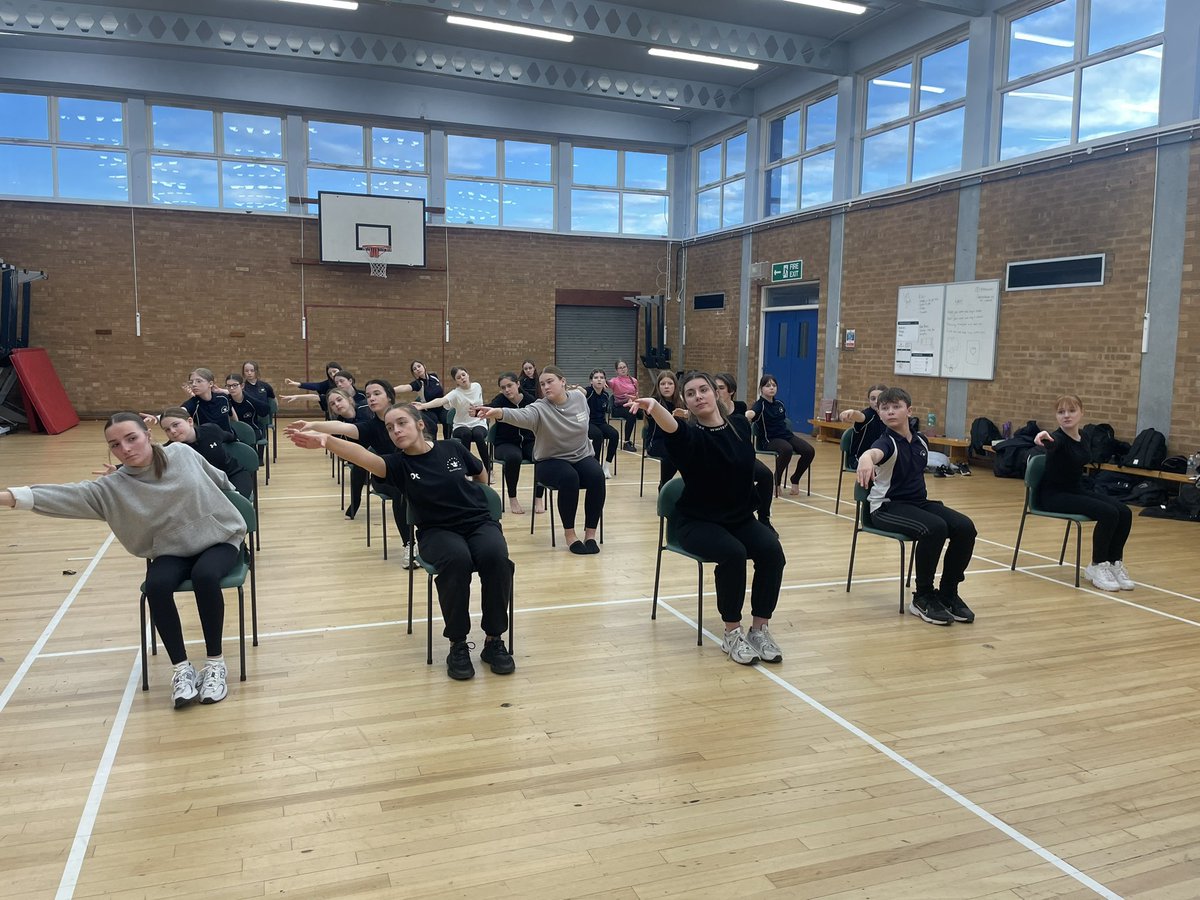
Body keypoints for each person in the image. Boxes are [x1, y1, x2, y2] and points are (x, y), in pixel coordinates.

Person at [1, 413, 245, 707]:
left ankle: (215, 663)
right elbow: (65, 495)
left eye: (131, 438)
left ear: (148, 435)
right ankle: (182, 669)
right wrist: (9, 497)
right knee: (156, 585)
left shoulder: (181, 453)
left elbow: (219, 480)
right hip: (171, 549)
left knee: (206, 576)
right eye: (115, 445)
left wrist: (237, 502)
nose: (125, 448)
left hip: (218, 539)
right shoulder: (113, 487)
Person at [289, 403, 515, 681]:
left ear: (420, 424)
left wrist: (483, 493)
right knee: (457, 561)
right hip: (437, 531)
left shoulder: (452, 448)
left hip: (479, 523)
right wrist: (327, 440)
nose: (396, 430)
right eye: (390, 427)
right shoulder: (398, 464)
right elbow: (361, 455)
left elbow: (479, 470)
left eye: (402, 423)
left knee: (495, 558)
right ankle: (458, 644)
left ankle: (494, 640)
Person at [627, 372, 787, 665]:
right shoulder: (689, 436)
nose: (698, 396)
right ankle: (732, 632)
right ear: (686, 402)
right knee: (733, 554)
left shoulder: (738, 426)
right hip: (696, 522)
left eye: (704, 390)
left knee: (772, 551)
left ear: (716, 394)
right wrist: (654, 406)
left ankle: (759, 629)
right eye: (690, 393)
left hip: (738, 518)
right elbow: (672, 428)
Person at [855, 387, 977, 626]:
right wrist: (865, 458)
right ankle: (922, 596)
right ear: (879, 413)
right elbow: (874, 452)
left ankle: (948, 593)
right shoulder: (886, 442)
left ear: (908, 411)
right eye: (884, 408)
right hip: (886, 508)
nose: (890, 412)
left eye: (896, 407)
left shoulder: (921, 440)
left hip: (918, 504)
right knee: (935, 528)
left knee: (965, 527)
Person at [475, 366, 605, 554]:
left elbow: (584, 398)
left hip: (581, 455)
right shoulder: (539, 408)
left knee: (597, 476)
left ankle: (590, 535)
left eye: (550, 381)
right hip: (550, 461)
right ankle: (570, 535)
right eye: (542, 384)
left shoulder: (578, 398)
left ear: (563, 381)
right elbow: (520, 415)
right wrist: (497, 412)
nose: (545, 386)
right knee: (569, 478)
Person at [289, 380, 416, 566]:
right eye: (368, 395)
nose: (371, 398)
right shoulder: (370, 426)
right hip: (386, 476)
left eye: (376, 393)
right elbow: (343, 428)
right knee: (400, 492)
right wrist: (311, 425)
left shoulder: (408, 418)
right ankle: (410, 545)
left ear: (389, 396)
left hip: (414, 471)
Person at [1034, 394, 1135, 591]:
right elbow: (1052, 443)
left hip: (1076, 489)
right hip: (1053, 496)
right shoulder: (1057, 438)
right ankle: (1097, 565)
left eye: (1071, 411)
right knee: (1108, 513)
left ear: (1082, 413)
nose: (1066, 416)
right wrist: (1043, 438)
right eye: (1061, 412)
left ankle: (1114, 563)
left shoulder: (1084, 436)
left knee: (1124, 511)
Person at [713, 373, 776, 532]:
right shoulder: (711, 409)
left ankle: (764, 518)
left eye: (721, 388)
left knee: (766, 476)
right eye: (714, 388)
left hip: (741, 455)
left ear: (731, 391)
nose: (717, 392)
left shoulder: (740, 407)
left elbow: (744, 435)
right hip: (721, 458)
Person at [156, 407, 255, 500]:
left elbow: (231, 437)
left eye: (175, 425)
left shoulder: (211, 430)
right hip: (202, 487)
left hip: (233, 475)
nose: (172, 431)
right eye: (167, 430)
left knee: (237, 503)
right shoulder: (170, 451)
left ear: (190, 421)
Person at [415, 367, 492, 482]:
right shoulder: (455, 393)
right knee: (466, 434)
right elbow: (440, 401)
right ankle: (466, 471)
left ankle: (487, 470)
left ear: (468, 374)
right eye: (458, 377)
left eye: (463, 375)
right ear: (456, 381)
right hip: (460, 425)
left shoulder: (477, 386)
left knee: (478, 435)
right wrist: (422, 406)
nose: (462, 378)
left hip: (478, 423)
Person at [746, 374, 816, 496]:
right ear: (761, 389)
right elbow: (752, 413)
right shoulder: (760, 404)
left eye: (774, 385)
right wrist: (746, 414)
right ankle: (776, 482)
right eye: (768, 385)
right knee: (786, 449)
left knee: (809, 450)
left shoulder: (780, 404)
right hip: (769, 440)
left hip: (786, 436)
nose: (771, 388)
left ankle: (795, 479)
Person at [488, 372, 545, 515]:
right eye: (503, 387)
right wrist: (477, 410)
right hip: (504, 443)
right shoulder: (499, 400)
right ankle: (512, 498)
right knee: (514, 457)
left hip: (528, 441)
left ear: (518, 384)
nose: (507, 390)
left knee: (541, 454)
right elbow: (490, 408)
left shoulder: (530, 400)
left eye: (509, 386)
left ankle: (538, 497)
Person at [646, 371, 688, 490]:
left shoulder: (681, 402)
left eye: (670, 383)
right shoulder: (654, 401)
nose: (666, 386)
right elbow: (648, 410)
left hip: (676, 442)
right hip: (656, 443)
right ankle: (664, 485)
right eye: (662, 384)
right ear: (658, 386)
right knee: (672, 452)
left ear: (675, 386)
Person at [396, 360, 449, 439]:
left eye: (419, 366)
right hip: (429, 410)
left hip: (441, 407)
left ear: (424, 366)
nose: (417, 369)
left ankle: (447, 443)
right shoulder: (418, 384)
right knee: (433, 427)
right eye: (414, 369)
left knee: (448, 422)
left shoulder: (434, 376)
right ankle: (433, 445)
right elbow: (405, 387)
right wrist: (389, 389)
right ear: (414, 373)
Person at [839, 383, 888, 466]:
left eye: (880, 398)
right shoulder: (868, 414)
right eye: (873, 399)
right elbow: (860, 416)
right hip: (859, 460)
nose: (876, 401)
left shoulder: (889, 416)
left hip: (881, 459)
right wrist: (851, 412)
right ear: (869, 400)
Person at [584, 369, 619, 478]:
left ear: (605, 381)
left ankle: (606, 466)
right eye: (596, 378)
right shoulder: (588, 392)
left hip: (601, 423)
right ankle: (596, 466)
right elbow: (581, 391)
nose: (599, 380)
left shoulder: (605, 395)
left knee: (614, 434)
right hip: (588, 423)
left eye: (601, 378)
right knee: (597, 435)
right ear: (591, 381)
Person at [179, 367, 234, 434]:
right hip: (209, 443)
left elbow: (233, 417)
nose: (193, 384)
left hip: (229, 440)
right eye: (191, 382)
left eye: (199, 381)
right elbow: (179, 412)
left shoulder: (223, 398)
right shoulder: (192, 404)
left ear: (210, 384)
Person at [608, 359, 640, 451]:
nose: (622, 369)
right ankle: (626, 442)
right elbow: (607, 383)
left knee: (649, 412)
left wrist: (634, 399)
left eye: (624, 367)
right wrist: (602, 381)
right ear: (616, 371)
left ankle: (650, 440)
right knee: (632, 413)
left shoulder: (634, 380)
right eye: (620, 368)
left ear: (627, 368)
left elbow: (637, 395)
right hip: (619, 408)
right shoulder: (614, 381)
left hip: (632, 404)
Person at [224, 373, 268, 442]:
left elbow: (265, 411)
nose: (231, 388)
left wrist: (248, 397)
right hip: (233, 431)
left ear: (242, 386)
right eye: (228, 386)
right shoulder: (225, 400)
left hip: (252, 430)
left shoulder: (249, 399)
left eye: (235, 385)